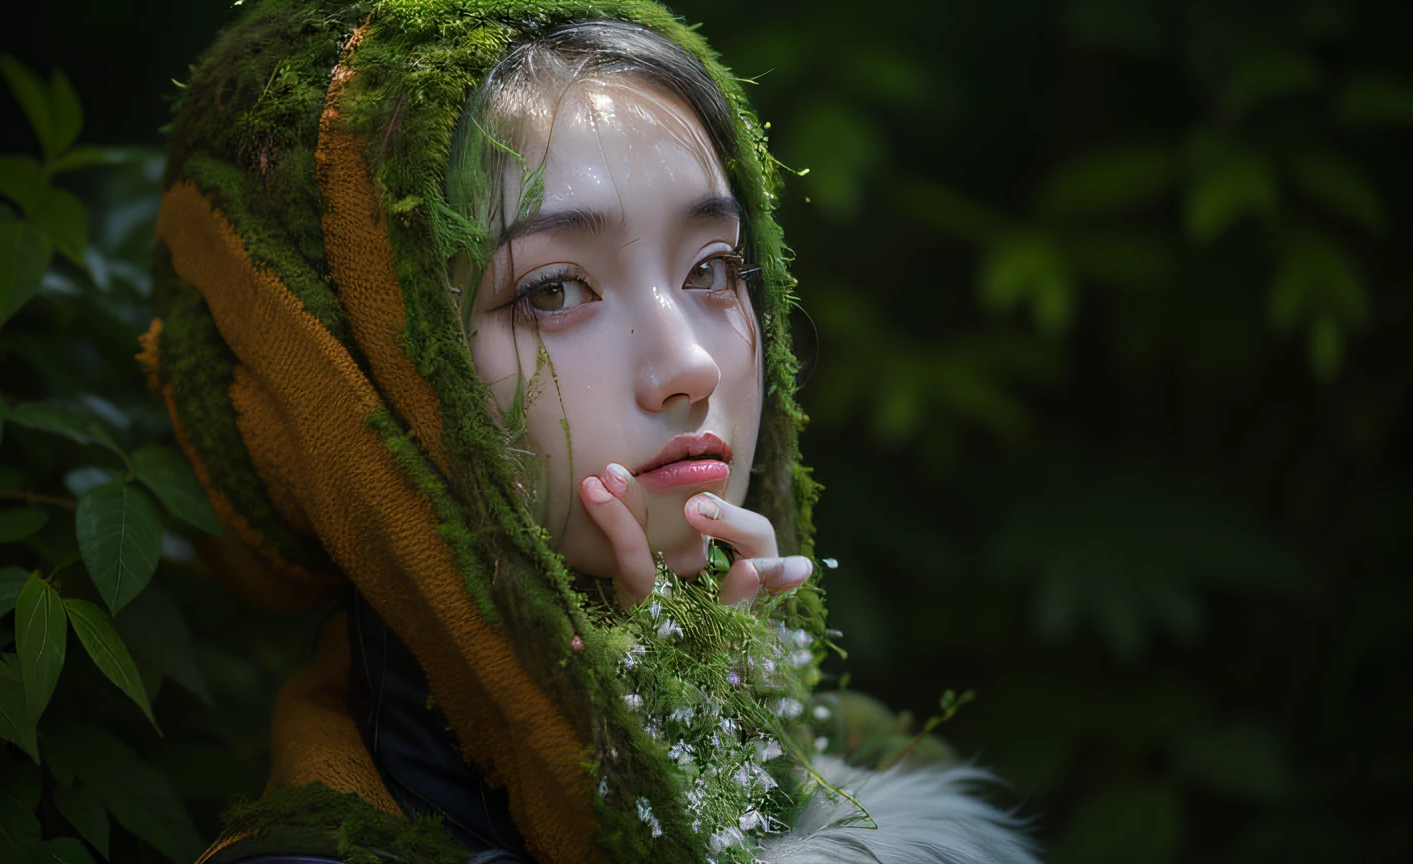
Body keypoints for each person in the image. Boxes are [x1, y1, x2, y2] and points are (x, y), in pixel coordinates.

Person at [141, 1, 1040, 862]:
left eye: (713, 268)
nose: (689, 363)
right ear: (361, 379)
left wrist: (700, 724)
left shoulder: (876, 767)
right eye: (552, 290)